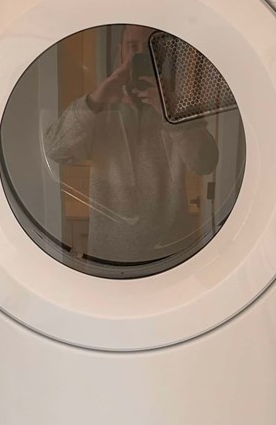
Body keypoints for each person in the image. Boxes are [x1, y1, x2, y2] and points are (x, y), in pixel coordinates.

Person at [42, 25, 220, 271]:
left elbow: (205, 162)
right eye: (133, 47)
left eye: (151, 47)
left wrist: (172, 113)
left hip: (172, 256)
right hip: (109, 257)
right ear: (121, 53)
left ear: (163, 55)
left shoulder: (178, 105)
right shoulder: (97, 106)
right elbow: (55, 149)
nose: (141, 54)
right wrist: (96, 100)